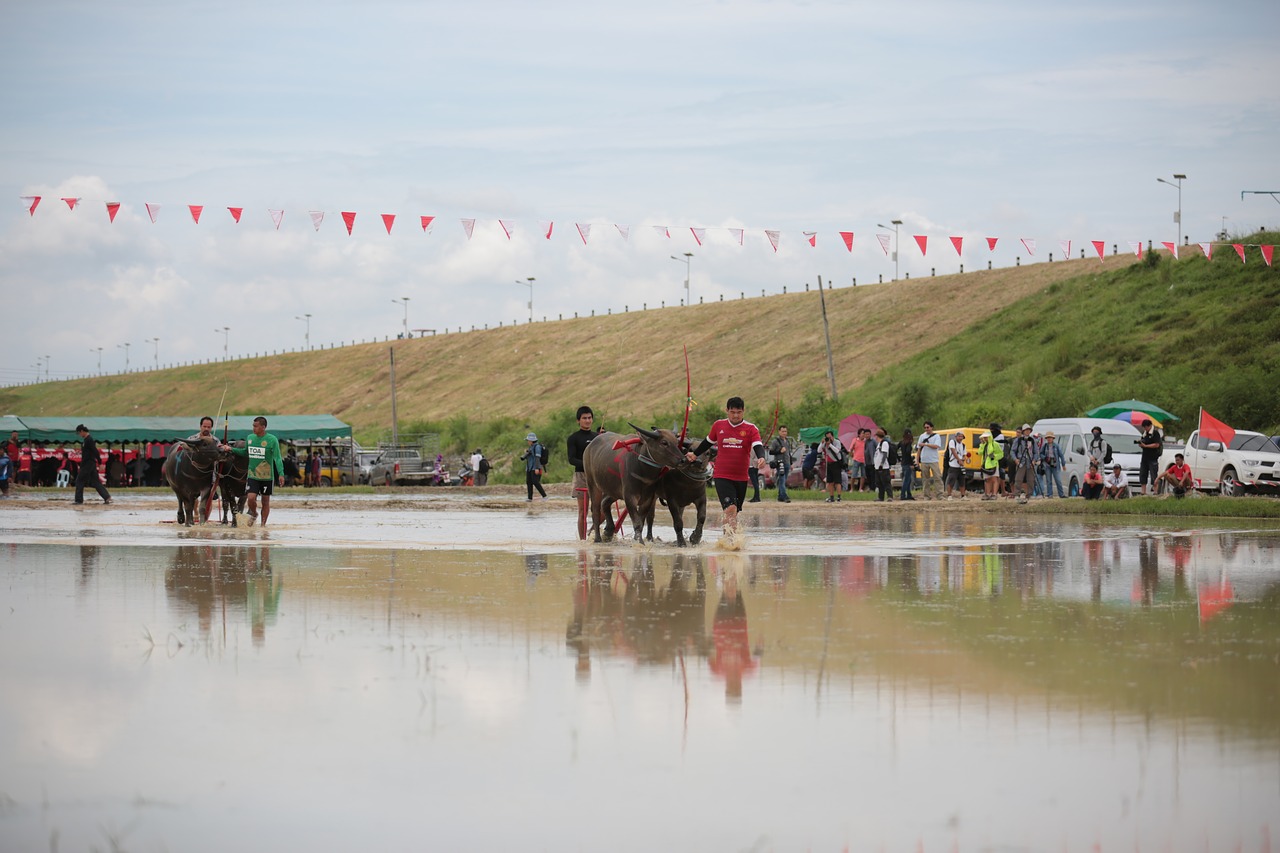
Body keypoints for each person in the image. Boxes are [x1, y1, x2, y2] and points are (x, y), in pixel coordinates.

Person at [684, 396, 768, 534]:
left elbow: (757, 445)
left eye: (739, 412)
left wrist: (761, 457)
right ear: (727, 411)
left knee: (734, 512)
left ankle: (729, 540)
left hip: (741, 478)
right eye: (733, 412)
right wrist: (694, 454)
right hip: (722, 475)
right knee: (729, 509)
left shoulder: (751, 428)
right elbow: (707, 442)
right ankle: (730, 543)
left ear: (743, 411)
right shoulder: (718, 425)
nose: (736, 415)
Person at [224, 416, 283, 526]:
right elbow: (245, 453)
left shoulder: (272, 440)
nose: (253, 428)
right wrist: (231, 449)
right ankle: (254, 513)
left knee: (265, 502)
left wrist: (281, 474)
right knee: (251, 498)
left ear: (263, 427)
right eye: (253, 426)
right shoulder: (250, 438)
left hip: (267, 477)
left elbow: (277, 458)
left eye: (256, 426)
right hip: (252, 475)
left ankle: (263, 525)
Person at [566, 406, 597, 537]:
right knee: (582, 511)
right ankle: (583, 541)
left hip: (597, 477)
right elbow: (571, 459)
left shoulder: (598, 437)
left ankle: (592, 532)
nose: (587, 420)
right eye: (584, 418)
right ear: (578, 421)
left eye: (589, 418)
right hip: (581, 476)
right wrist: (587, 465)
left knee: (601, 511)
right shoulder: (573, 438)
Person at [73, 424, 112, 505]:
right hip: (90, 464)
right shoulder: (86, 440)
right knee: (95, 482)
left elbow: (95, 451)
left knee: (79, 481)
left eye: (79, 433)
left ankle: (78, 500)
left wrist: (100, 462)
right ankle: (106, 497)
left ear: (82, 431)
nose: (79, 435)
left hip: (88, 464)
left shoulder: (89, 440)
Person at [1009, 424, 1038, 503]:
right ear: (1023, 431)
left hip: (1030, 462)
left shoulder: (1032, 440)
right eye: (1026, 430)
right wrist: (1015, 460)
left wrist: (1034, 460)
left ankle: (1030, 495)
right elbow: (1012, 451)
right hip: (1021, 461)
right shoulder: (1018, 440)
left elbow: (1036, 452)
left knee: (1031, 479)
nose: (1028, 431)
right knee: (1018, 478)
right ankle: (1017, 494)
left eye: (1029, 430)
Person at [916, 421, 942, 500]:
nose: (926, 429)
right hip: (924, 460)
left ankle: (940, 495)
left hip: (933, 460)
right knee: (925, 479)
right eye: (925, 428)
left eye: (928, 427)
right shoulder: (922, 436)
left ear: (931, 427)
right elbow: (919, 449)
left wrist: (926, 444)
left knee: (937, 477)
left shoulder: (936, 436)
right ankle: (926, 496)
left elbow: (936, 446)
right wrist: (917, 460)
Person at [1138, 418, 1163, 495]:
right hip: (1144, 457)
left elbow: (1156, 444)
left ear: (1149, 426)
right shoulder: (1144, 434)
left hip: (1153, 457)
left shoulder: (1155, 433)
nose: (1145, 429)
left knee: (1153, 475)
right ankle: (1143, 491)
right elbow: (1143, 442)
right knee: (1143, 474)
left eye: (1145, 427)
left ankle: (1155, 491)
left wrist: (1145, 446)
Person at [768, 425, 793, 503]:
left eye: (785, 431)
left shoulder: (788, 441)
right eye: (782, 431)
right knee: (782, 480)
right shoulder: (776, 441)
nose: (784, 433)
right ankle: (784, 496)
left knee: (784, 480)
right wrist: (779, 451)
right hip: (780, 463)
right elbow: (770, 451)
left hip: (787, 462)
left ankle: (780, 496)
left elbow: (789, 453)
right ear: (779, 432)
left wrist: (791, 463)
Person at [977, 430, 1003, 501]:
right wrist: (981, 445)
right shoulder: (984, 445)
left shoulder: (995, 444)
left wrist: (994, 456)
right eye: (984, 437)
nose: (985, 439)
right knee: (987, 480)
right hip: (985, 464)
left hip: (993, 464)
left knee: (994, 479)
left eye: (986, 437)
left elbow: (1001, 454)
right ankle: (987, 494)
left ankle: (994, 494)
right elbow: (979, 452)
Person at [820, 430, 845, 503]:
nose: (829, 439)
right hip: (829, 463)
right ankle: (831, 497)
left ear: (833, 436)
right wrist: (822, 443)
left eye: (830, 437)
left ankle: (839, 497)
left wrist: (830, 444)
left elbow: (837, 451)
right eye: (827, 437)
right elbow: (819, 450)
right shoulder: (825, 443)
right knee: (830, 481)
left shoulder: (837, 442)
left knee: (837, 481)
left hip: (836, 463)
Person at [521, 432, 547, 501]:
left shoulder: (537, 447)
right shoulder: (531, 447)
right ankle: (530, 498)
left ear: (531, 440)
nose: (528, 442)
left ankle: (544, 496)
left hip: (534, 467)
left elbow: (537, 458)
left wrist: (537, 468)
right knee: (528, 482)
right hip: (529, 467)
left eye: (528, 440)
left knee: (535, 482)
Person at [1040, 431, 1066, 498]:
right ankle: (1050, 494)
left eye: (1050, 438)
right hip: (1047, 465)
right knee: (1049, 481)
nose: (1049, 439)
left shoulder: (1056, 446)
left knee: (1058, 480)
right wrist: (1045, 458)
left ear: (1053, 438)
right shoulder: (1045, 446)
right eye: (1048, 438)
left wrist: (1063, 464)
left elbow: (1061, 455)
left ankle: (1061, 494)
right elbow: (1040, 454)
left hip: (1055, 464)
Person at [945, 431, 968, 498]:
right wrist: (959, 460)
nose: (960, 438)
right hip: (953, 464)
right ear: (956, 437)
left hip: (960, 466)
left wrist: (963, 459)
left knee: (962, 481)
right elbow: (953, 451)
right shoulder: (952, 442)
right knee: (951, 480)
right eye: (959, 436)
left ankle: (963, 495)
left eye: (962, 436)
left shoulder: (963, 445)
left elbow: (964, 454)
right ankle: (949, 495)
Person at [872, 428, 893, 501]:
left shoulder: (884, 443)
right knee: (879, 483)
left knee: (886, 482)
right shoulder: (879, 444)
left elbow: (884, 454)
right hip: (877, 467)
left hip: (883, 467)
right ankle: (881, 497)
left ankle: (890, 496)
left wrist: (881, 464)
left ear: (878, 436)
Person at [898, 428, 915, 500]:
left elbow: (895, 449)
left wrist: (899, 458)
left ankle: (908, 494)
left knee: (908, 479)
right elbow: (908, 453)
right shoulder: (909, 443)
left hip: (903, 462)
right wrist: (911, 463)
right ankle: (903, 495)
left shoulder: (901, 442)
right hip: (908, 463)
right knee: (907, 480)